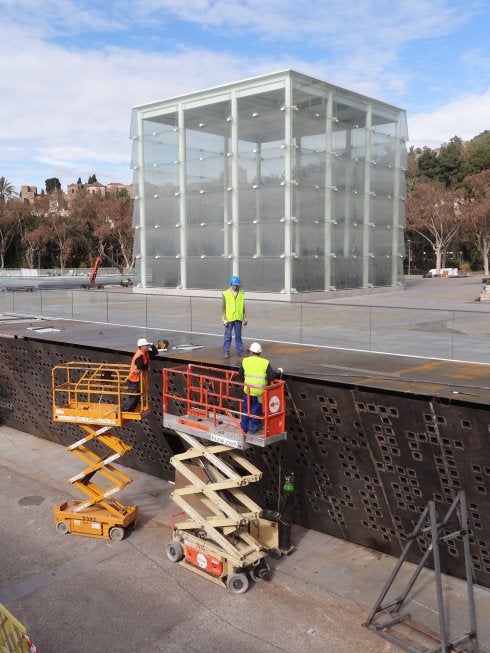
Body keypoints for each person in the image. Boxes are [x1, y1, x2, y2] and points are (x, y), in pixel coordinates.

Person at [237, 342, 283, 434]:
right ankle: (253, 429)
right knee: (256, 410)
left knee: (246, 409)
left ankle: (244, 427)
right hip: (259, 392)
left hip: (248, 390)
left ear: (251, 352)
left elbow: (240, 375)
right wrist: (279, 371)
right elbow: (271, 376)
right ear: (260, 353)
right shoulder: (265, 362)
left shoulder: (245, 361)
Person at [122, 337, 158, 412]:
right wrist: (147, 367)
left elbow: (155, 353)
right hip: (133, 379)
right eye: (146, 346)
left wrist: (152, 345)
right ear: (141, 347)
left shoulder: (145, 352)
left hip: (138, 378)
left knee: (137, 395)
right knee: (133, 396)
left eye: (148, 345)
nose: (147, 347)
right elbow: (140, 365)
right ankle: (124, 410)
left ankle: (130, 410)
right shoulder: (139, 355)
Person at [222, 275, 247, 358]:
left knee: (238, 336)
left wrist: (244, 318)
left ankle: (240, 351)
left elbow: (243, 306)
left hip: (238, 318)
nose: (236, 287)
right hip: (229, 318)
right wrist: (224, 319)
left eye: (237, 285)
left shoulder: (241, 293)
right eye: (235, 285)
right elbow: (223, 307)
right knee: (227, 336)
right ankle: (226, 351)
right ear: (231, 284)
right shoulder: (226, 293)